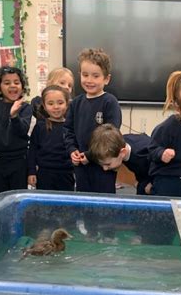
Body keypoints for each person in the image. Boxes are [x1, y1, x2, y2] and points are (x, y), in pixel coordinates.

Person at [64, 48, 122, 193]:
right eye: (85, 75)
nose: (89, 80)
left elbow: (111, 136)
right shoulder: (76, 103)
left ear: (106, 79)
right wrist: (72, 150)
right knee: (83, 201)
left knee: (103, 203)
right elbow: (68, 131)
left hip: (103, 166)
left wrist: (90, 156)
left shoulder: (110, 102)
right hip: (81, 166)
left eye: (95, 76)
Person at [0, 66, 33, 195]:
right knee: (0, 198)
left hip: (19, 160)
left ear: (22, 88)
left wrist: (14, 116)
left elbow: (22, 130)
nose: (12, 86)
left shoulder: (25, 107)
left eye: (17, 82)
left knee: (18, 197)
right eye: (7, 83)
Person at [27, 85, 74, 191]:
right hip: (44, 174)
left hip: (66, 173)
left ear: (67, 104)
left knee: (65, 204)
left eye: (60, 103)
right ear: (44, 105)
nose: (56, 107)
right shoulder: (40, 126)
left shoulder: (70, 126)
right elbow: (32, 150)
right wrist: (31, 172)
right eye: (51, 103)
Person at [87, 123, 152, 195]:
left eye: (108, 164)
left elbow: (164, 172)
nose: (105, 168)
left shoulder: (145, 155)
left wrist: (149, 186)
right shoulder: (118, 143)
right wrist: (86, 156)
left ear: (122, 152)